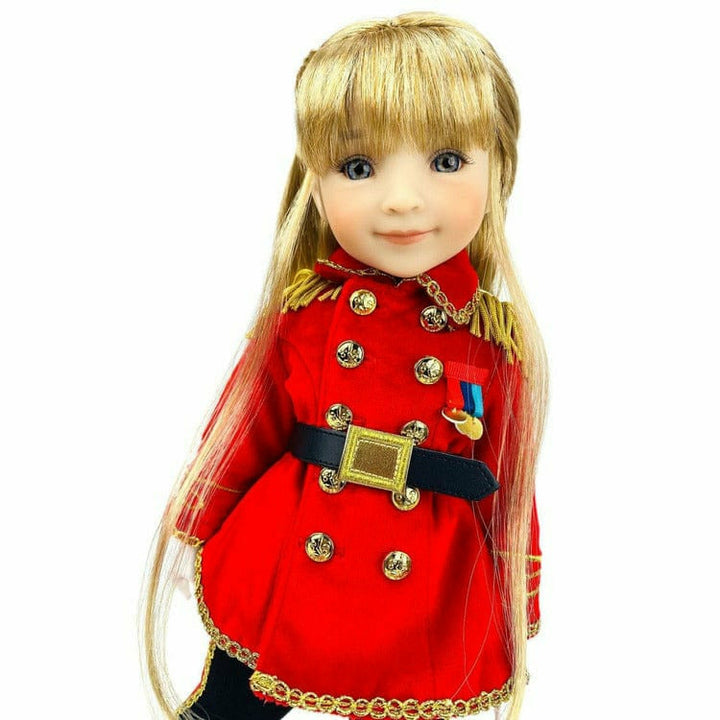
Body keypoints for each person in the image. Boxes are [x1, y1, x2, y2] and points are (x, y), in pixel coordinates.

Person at [141, 11, 548, 720]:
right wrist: (198, 518)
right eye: (358, 168)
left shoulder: (492, 344)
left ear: (499, 166)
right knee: (233, 704)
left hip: (425, 576)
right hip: (292, 544)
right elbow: (246, 425)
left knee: (409, 695)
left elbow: (511, 485)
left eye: (446, 161)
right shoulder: (305, 315)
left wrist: (521, 589)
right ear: (316, 181)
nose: (401, 200)